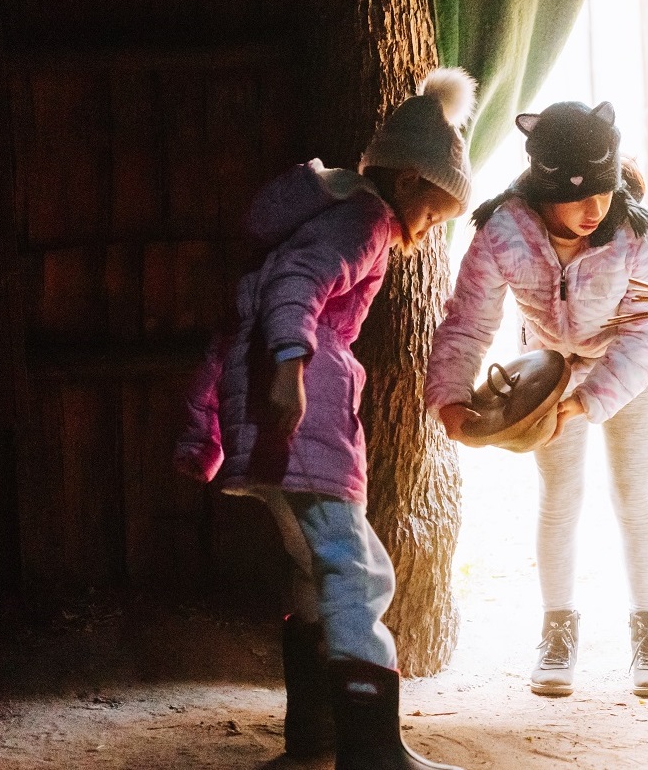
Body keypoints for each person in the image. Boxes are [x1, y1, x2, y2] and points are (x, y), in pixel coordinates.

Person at [174, 67, 476, 770]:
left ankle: (315, 736)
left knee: (311, 568)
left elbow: (237, 320)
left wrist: (208, 426)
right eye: (435, 210)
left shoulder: (319, 216)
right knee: (356, 570)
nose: (429, 227)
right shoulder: (366, 217)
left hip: (267, 419)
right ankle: (372, 752)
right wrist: (291, 364)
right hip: (303, 413)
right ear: (409, 183)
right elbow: (296, 285)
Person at [424, 100, 648, 698]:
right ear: (542, 187)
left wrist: (593, 401)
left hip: (628, 371)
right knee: (559, 497)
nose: (596, 209)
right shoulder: (502, 232)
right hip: (546, 374)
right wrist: (450, 397)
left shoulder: (637, 235)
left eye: (606, 190)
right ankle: (557, 633)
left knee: (633, 495)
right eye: (578, 195)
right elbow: (467, 321)